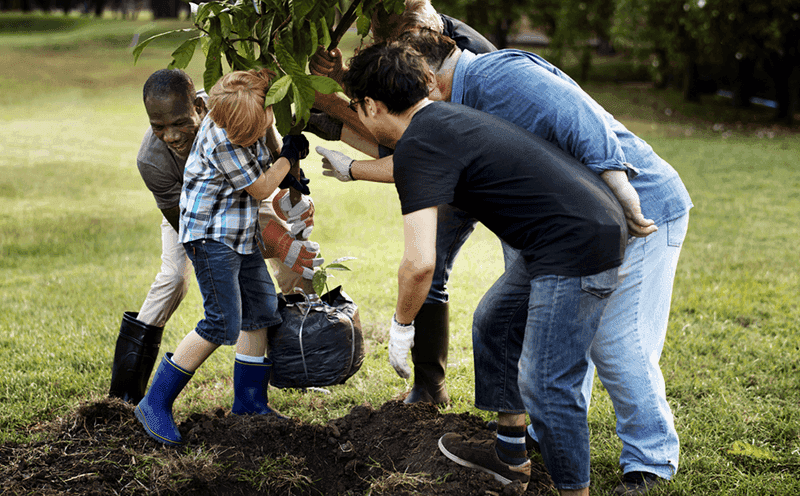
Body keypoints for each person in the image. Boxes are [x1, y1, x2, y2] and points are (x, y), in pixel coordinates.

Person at [322, 29, 694, 495]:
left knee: (550, 377)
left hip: (583, 237)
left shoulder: (489, 86)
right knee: (495, 322)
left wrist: (400, 328)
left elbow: (418, 264)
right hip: (563, 232)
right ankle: (510, 451)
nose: (356, 113)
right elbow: (413, 166)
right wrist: (350, 163)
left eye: (357, 106)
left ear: (373, 106)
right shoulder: (445, 117)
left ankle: (600, 479)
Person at [307, 0, 497, 405]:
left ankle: (437, 389)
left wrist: (343, 139)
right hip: (463, 159)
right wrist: (340, 78)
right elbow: (404, 133)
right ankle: (430, 387)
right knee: (435, 269)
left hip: (492, 172)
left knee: (436, 270)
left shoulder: (453, 61)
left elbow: (420, 151)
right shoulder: (420, 41)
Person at [108, 69, 321, 406]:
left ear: (199, 106)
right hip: (197, 218)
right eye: (158, 127)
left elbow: (271, 156)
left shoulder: (235, 106)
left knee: (273, 290)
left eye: (179, 123)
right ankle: (129, 393)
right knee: (177, 282)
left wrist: (294, 196)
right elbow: (195, 226)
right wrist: (274, 238)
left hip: (239, 203)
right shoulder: (155, 160)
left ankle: (291, 372)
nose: (171, 136)